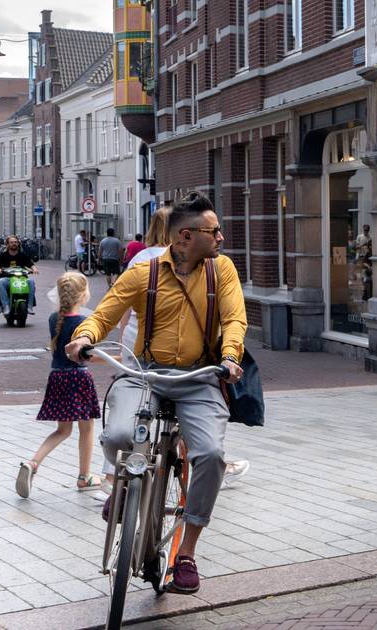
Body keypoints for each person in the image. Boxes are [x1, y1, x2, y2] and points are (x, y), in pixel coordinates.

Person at [65, 192, 246, 594]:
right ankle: (126, 486)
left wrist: (230, 356)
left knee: (212, 456)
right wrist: (84, 338)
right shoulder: (144, 272)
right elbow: (105, 314)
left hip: (200, 376)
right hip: (145, 372)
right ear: (186, 236)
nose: (220, 237)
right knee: (116, 436)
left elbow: (234, 318)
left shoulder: (223, 271)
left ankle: (186, 553)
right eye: (213, 231)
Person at [16, 272, 102, 498]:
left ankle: (33, 463)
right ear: (83, 295)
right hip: (79, 377)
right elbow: (87, 356)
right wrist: (119, 359)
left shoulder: (54, 318)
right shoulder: (84, 323)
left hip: (58, 376)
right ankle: (84, 477)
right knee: (87, 428)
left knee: (62, 430)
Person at [117, 207, 172, 367]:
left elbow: (126, 302)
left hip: (136, 331)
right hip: (170, 334)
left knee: (136, 384)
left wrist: (122, 335)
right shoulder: (184, 259)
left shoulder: (139, 259)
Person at [0, 235, 38, 315]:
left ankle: (30, 306)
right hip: (7, 279)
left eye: (16, 242)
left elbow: (31, 264)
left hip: (21, 278)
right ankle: (5, 305)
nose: (14, 244)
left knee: (31, 282)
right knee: (0, 282)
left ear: (18, 244)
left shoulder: (22, 255)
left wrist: (34, 269)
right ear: (8, 244)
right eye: (12, 242)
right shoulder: (3, 255)